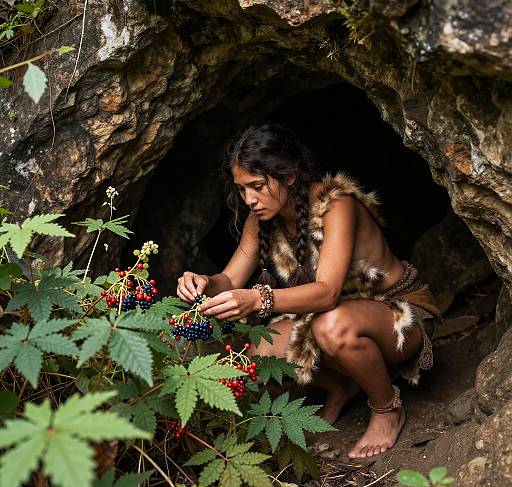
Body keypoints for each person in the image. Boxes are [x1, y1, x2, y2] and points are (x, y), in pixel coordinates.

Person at [176, 123, 441, 459]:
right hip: (332, 318)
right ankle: (343, 385)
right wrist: (203, 282)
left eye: (257, 186)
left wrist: (260, 298)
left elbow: (328, 293)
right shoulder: (260, 221)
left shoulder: (336, 205)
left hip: (399, 318)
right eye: (242, 189)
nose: (249, 200)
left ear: (288, 175)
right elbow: (228, 279)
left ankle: (387, 408)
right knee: (261, 348)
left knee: (331, 325)